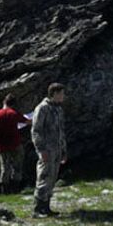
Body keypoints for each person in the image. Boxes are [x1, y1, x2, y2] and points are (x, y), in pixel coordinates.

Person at [31, 83, 68, 218]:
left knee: (52, 179)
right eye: (61, 93)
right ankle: (37, 209)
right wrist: (41, 150)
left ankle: (46, 207)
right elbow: (36, 131)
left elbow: (61, 132)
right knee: (44, 178)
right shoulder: (42, 108)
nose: (63, 96)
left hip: (56, 150)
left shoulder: (58, 109)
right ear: (54, 93)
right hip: (46, 150)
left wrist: (63, 150)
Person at [0, 93, 31, 194]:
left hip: (1, 144)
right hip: (15, 143)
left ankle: (5, 190)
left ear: (4, 102)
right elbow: (26, 122)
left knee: (4, 167)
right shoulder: (14, 113)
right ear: (13, 104)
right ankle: (15, 188)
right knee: (17, 166)